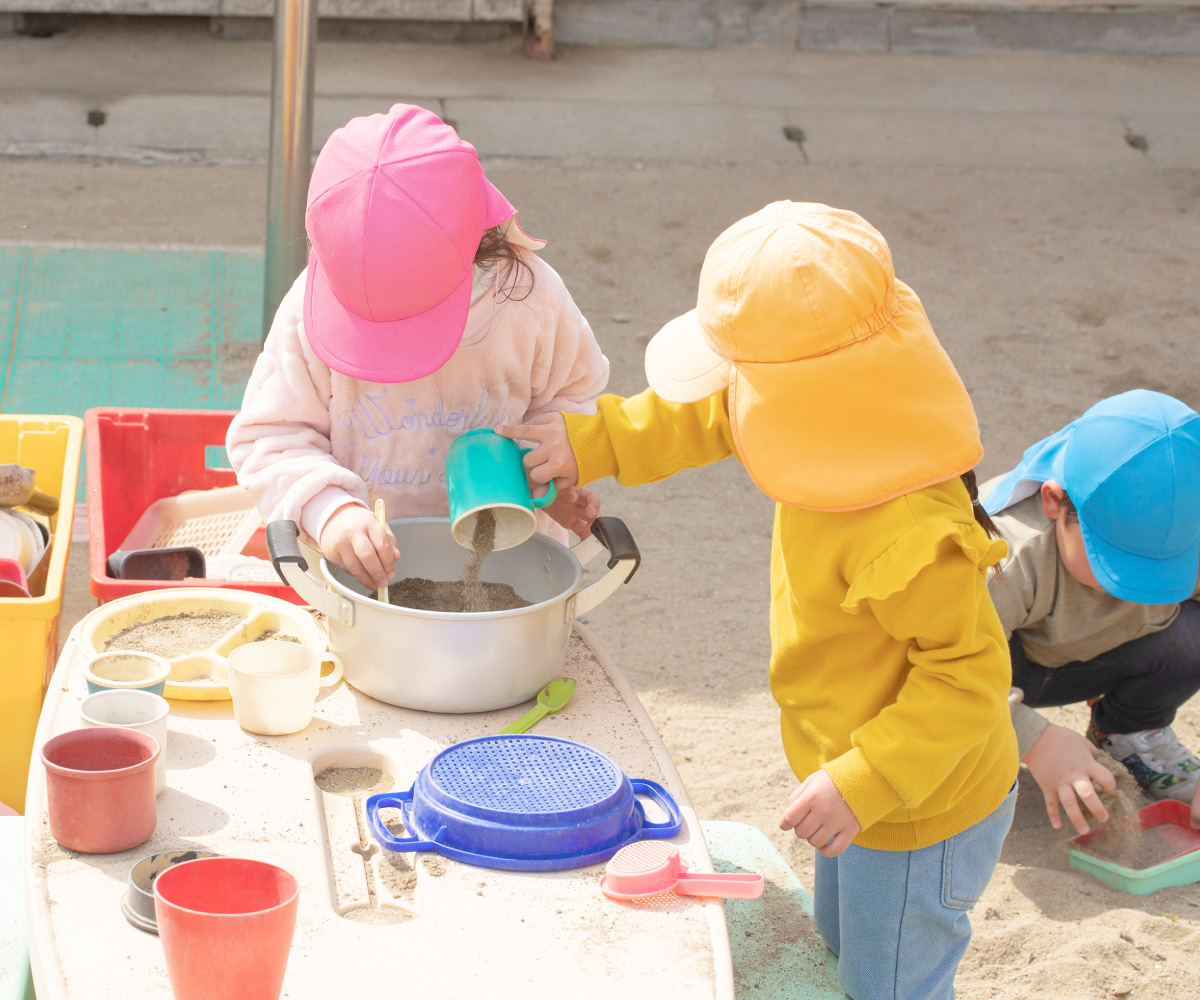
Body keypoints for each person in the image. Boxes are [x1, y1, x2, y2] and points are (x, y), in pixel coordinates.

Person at [498, 201, 1019, 1000]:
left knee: (892, 983)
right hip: (852, 772)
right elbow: (703, 409)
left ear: (803, 394)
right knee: (847, 950)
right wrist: (589, 442)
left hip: (923, 806)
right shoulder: (829, 409)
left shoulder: (911, 533)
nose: (736, 395)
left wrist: (866, 780)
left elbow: (970, 679)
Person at [227, 104, 606, 588]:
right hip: (360, 588)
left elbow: (572, 397)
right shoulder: (308, 309)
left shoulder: (529, 300)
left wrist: (553, 473)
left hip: (510, 570)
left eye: (415, 326)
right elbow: (269, 437)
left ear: (473, 247)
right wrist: (330, 510)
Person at [982, 390, 1200, 835]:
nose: (1138, 588)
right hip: (1001, 669)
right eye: (1116, 562)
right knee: (949, 721)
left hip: (1097, 659)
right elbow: (943, 669)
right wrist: (1035, 740)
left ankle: (1125, 733)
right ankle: (988, 743)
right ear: (1056, 503)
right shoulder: (1006, 554)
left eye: (1164, 569)